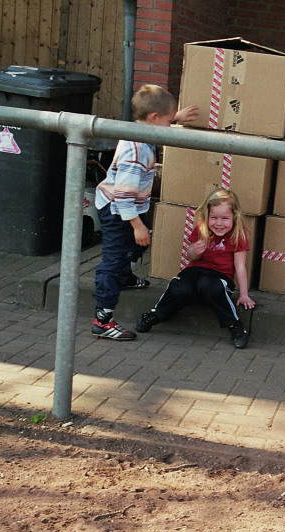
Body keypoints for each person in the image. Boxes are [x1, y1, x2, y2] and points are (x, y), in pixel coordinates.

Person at [91, 84, 198, 340]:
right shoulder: (136, 151)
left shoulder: (141, 130)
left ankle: (125, 275)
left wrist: (175, 117)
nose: (170, 126)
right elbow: (123, 195)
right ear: (154, 118)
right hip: (118, 209)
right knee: (114, 260)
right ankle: (103, 319)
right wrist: (136, 225)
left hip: (129, 207)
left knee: (141, 239)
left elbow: (158, 125)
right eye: (168, 121)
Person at [134, 189, 255, 349]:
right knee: (179, 286)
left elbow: (240, 266)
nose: (219, 223)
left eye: (225, 218)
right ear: (207, 215)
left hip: (220, 276)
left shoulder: (239, 234)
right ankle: (157, 314)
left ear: (234, 216)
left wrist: (244, 294)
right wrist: (194, 251)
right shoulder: (202, 228)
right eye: (214, 218)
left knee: (210, 286)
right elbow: (190, 257)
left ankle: (234, 325)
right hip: (195, 271)